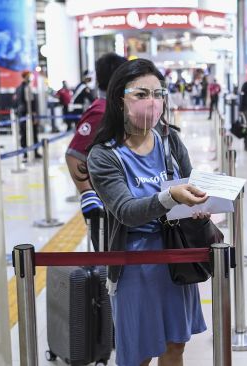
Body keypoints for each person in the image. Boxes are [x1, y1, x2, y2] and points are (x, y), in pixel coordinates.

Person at [87, 59, 209, 366]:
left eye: (158, 94)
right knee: (137, 355)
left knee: (175, 346)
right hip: (134, 266)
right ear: (120, 99)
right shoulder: (104, 155)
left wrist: (201, 204)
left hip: (176, 256)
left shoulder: (170, 140)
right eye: (141, 94)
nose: (152, 102)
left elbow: (189, 183)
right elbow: (126, 211)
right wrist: (169, 197)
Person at [66, 53, 127, 252]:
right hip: (106, 207)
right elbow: (74, 154)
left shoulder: (114, 108)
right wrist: (87, 192)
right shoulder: (101, 112)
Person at [14, 70, 41, 159]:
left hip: (24, 114)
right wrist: (34, 115)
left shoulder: (20, 88)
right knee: (27, 134)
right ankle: (28, 153)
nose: (31, 77)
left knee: (27, 134)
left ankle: (31, 152)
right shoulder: (26, 88)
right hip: (27, 115)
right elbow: (30, 102)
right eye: (29, 75)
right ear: (25, 76)